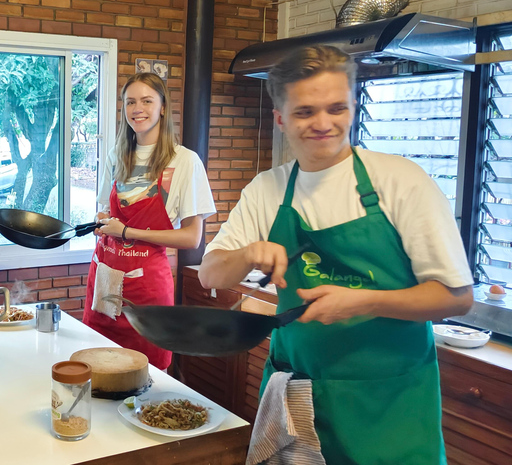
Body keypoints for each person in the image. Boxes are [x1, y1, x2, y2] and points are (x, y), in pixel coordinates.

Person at [199, 45, 474, 464]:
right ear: (281, 119)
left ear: (353, 105)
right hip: (296, 392)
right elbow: (211, 274)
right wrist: (250, 253)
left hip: (389, 403)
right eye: (305, 112)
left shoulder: (400, 181)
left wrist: (363, 300)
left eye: (336, 108)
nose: (323, 123)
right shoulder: (267, 189)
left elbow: (456, 297)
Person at [84, 72, 216, 370]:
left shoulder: (183, 161)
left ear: (163, 107)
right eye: (130, 102)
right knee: (98, 372)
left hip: (147, 292)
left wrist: (127, 231)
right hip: (105, 283)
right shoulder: (116, 155)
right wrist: (102, 221)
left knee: (147, 378)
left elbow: (191, 238)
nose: (137, 109)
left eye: (146, 100)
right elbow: (105, 210)